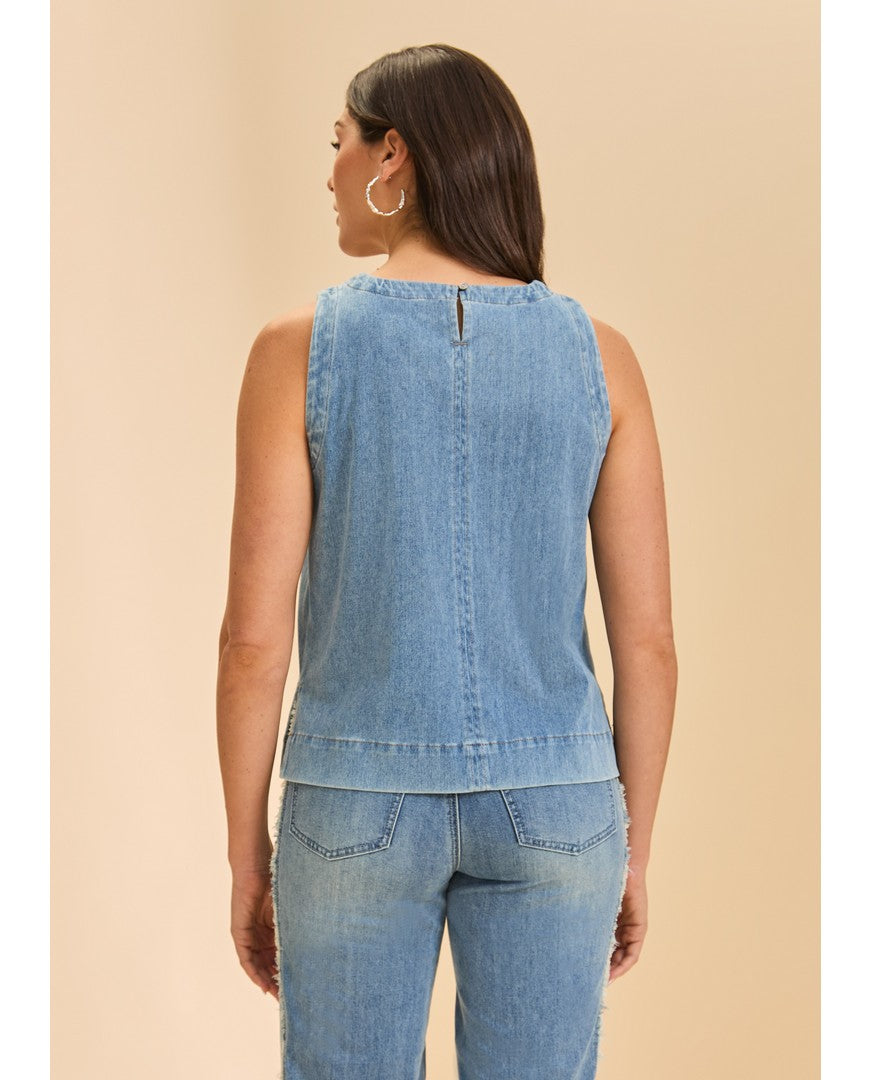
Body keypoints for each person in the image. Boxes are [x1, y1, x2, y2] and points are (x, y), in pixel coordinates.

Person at [217, 43, 677, 1080]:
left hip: (352, 798)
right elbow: (647, 643)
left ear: (394, 157)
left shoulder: (297, 350)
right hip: (559, 801)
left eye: (339, 143)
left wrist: (250, 855)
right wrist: (631, 844)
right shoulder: (601, 358)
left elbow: (252, 642)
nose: (329, 172)